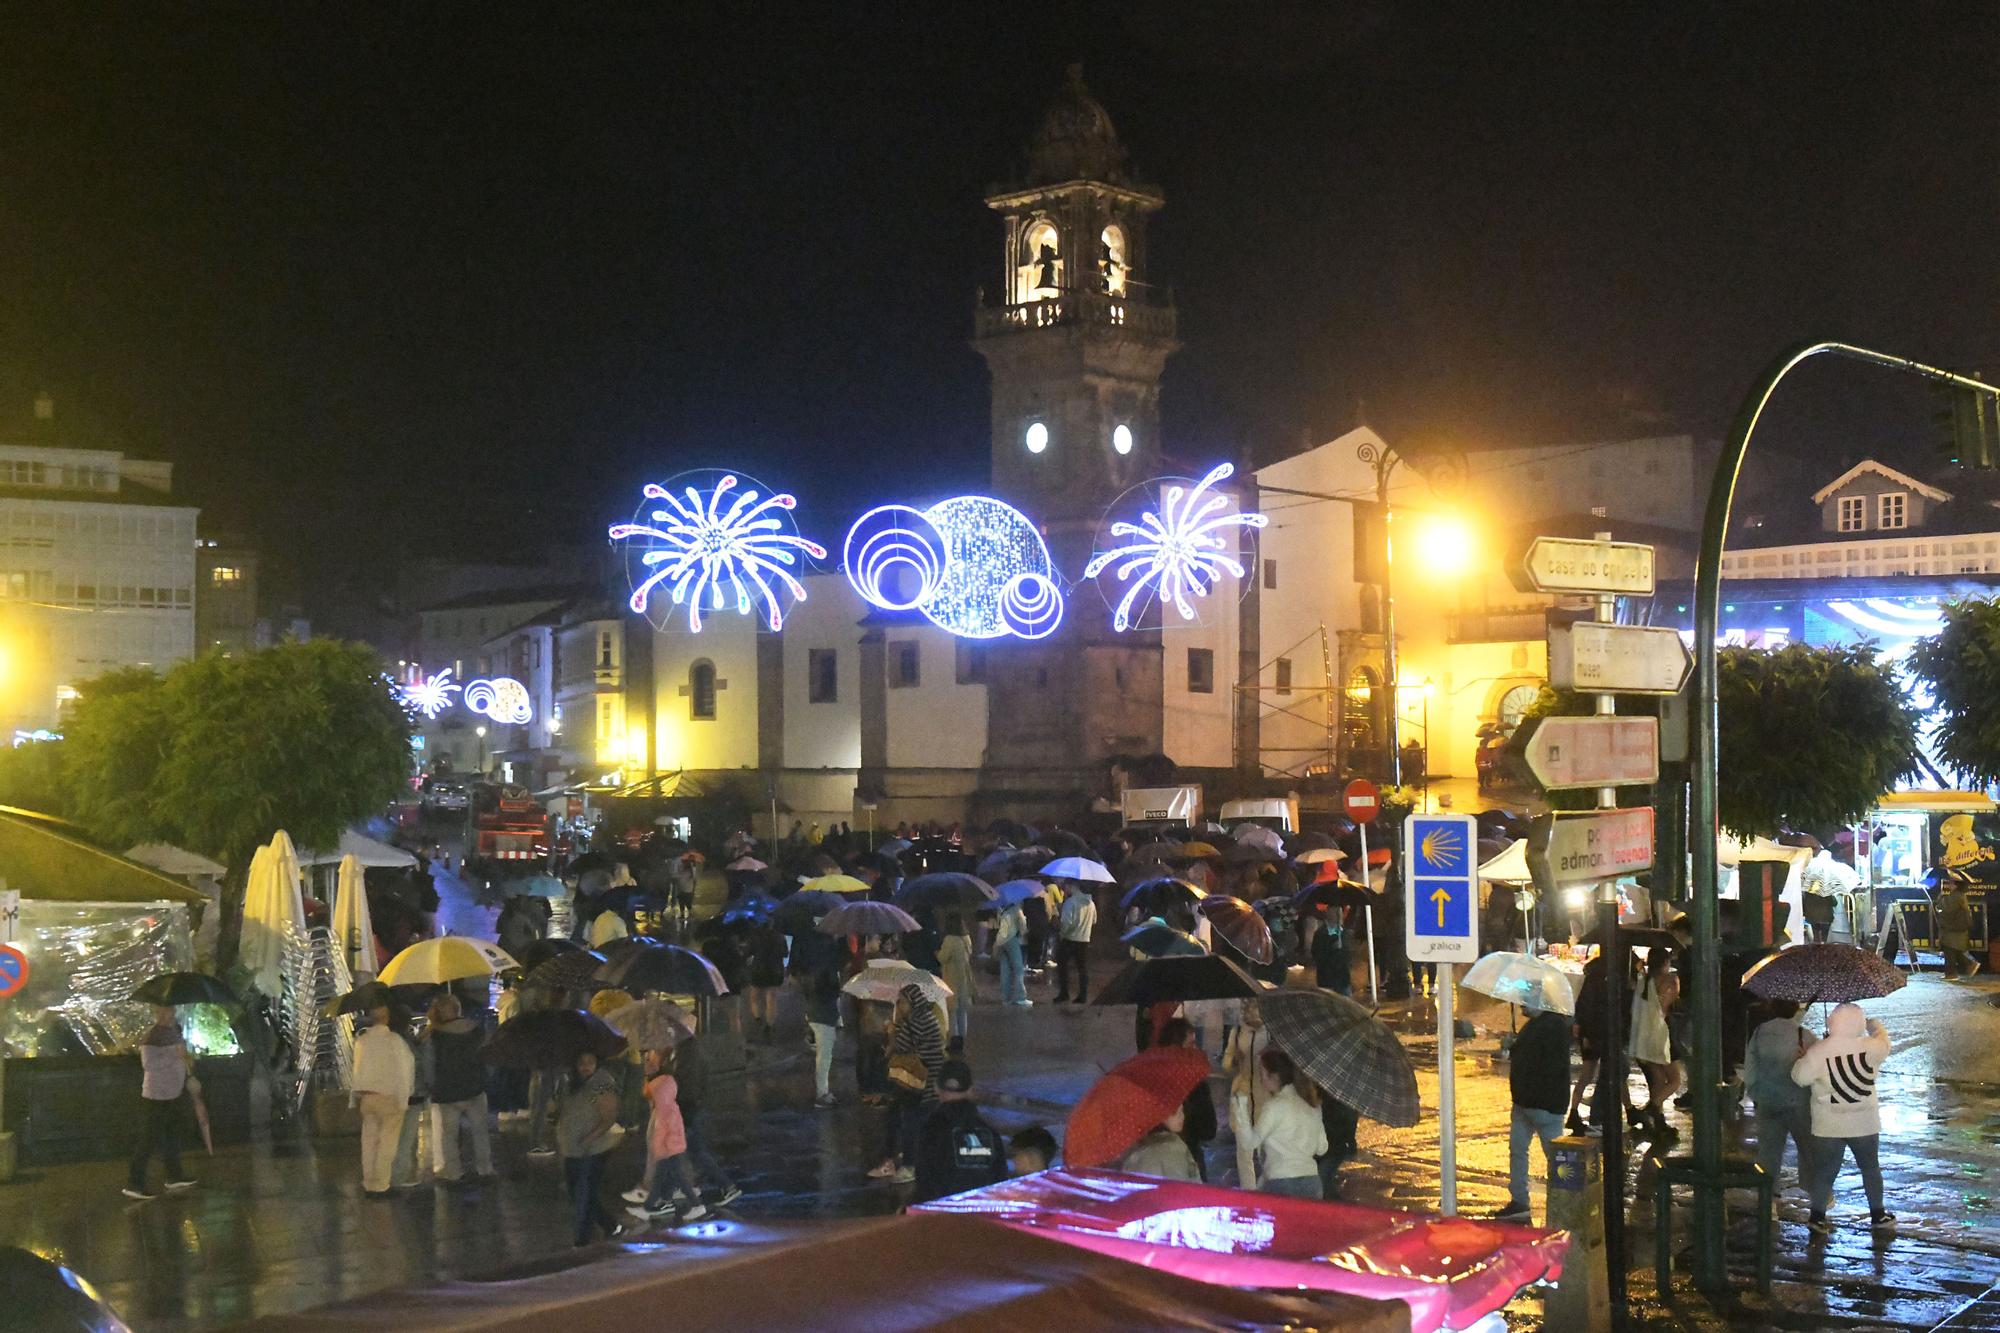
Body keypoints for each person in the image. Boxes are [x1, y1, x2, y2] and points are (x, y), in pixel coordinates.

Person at [1792, 1002, 1895, 1234]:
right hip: (1865, 1123)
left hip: (1828, 1125)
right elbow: (1885, 1043)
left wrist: (1804, 1057)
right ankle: (1878, 1214)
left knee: (1825, 1171)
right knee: (1870, 1168)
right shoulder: (1870, 1047)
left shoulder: (1819, 1051)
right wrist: (1874, 1025)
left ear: (1832, 1023)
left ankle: (1817, 1216)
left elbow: (1800, 1077)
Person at [1494, 1004, 1570, 1221]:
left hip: (1544, 1105)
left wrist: (1517, 1048)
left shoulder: (1553, 1026)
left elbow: (1546, 1065)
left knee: (1557, 1158)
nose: (1521, 1004)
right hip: (1524, 1103)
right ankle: (1519, 1201)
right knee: (1518, 1151)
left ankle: (1565, 1204)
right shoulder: (1536, 1025)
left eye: (1527, 999)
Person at [868, 983, 945, 1183]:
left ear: (912, 1002)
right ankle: (895, 1159)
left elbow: (901, 1046)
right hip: (919, 1083)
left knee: (910, 1123)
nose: (899, 1005)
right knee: (898, 1118)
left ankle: (909, 1165)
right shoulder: (920, 1019)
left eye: (901, 1002)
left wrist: (892, 1030)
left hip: (918, 1085)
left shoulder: (917, 1021)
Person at [1231, 1048, 1327, 1199]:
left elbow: (1250, 1143)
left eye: (1262, 1074)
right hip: (1312, 1182)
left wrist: (1240, 1105)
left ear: (1274, 1076)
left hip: (1281, 1182)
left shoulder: (1274, 1106)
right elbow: (1322, 1148)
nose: (1261, 1080)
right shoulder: (1312, 1105)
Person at [125, 1005, 197, 1200]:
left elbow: (181, 1058)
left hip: (173, 1093)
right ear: (157, 1014)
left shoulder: (173, 1033)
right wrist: (174, 1054)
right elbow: (149, 1065)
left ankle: (174, 1175)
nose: (167, 1016)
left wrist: (186, 1063)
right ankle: (135, 1182)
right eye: (163, 1013)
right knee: (148, 1139)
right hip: (156, 1095)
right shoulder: (152, 1037)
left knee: (171, 1135)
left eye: (170, 1012)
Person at [628, 1047, 708, 1224]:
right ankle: (653, 1206)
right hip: (671, 1136)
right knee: (668, 1174)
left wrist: (659, 1143)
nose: (647, 1063)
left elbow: (650, 1098)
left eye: (650, 1060)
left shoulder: (661, 1083)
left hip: (667, 1138)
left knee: (673, 1173)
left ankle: (691, 1205)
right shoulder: (667, 1080)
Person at [911, 1059, 1008, 1203]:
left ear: (936, 1088)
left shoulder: (931, 1129)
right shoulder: (989, 1132)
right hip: (982, 1217)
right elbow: (1000, 1182)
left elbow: (925, 1181)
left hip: (945, 1217)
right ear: (970, 1090)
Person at [557, 1050, 627, 1245]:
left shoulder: (602, 1082)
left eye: (590, 1061)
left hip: (593, 1150)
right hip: (573, 1150)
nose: (585, 1066)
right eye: (581, 1062)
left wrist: (589, 1138)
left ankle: (582, 1242)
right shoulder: (573, 1082)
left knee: (583, 1196)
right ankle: (611, 1225)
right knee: (577, 1194)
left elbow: (609, 1114)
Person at [672, 1022, 742, 1208]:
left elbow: (687, 1087)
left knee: (694, 1151)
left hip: (688, 1110)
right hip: (691, 1109)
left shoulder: (688, 1055)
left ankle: (726, 1185)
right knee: (692, 1150)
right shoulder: (688, 1051)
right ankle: (692, 1184)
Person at [1744, 998, 1813, 1187]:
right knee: (1808, 1148)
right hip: (1798, 1101)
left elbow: (1750, 1068)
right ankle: (1814, 1191)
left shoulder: (1760, 1032)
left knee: (1769, 1152)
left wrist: (1755, 1093)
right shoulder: (1805, 1035)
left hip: (1768, 1100)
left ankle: (1769, 1197)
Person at [425, 994, 494, 1183]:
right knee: (480, 1132)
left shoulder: (435, 1035)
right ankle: (484, 1169)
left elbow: (429, 1065)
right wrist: (485, 1078)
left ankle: (454, 1173)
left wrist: (432, 1086)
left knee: (449, 1136)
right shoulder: (477, 1030)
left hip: (447, 1092)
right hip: (475, 1088)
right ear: (459, 1009)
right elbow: (488, 1058)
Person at [352, 1002, 415, 1198]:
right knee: (387, 1142)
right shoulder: (394, 1041)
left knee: (369, 1141)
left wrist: (354, 1097)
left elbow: (356, 1069)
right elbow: (406, 1070)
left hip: (367, 1096)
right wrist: (405, 1097)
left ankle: (368, 1181)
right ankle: (381, 1184)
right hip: (389, 1097)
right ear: (387, 1018)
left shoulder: (362, 1041)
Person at [1157, 1017, 1217, 1181]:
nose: (1195, 1048)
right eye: (1190, 1044)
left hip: (1158, 1163)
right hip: (1187, 1159)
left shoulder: (1152, 1078)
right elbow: (1209, 1130)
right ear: (1177, 1047)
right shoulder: (1194, 1083)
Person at [1631, 953, 1681, 1141]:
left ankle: (1659, 1124)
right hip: (1662, 1035)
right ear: (1666, 962)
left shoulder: (1643, 980)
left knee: (1658, 1081)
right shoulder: (1670, 979)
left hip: (1644, 1038)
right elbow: (1666, 1006)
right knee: (1675, 1080)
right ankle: (1651, 1108)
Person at [1225, 1001, 1272, 1186]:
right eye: (1248, 1009)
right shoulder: (1237, 1033)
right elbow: (1226, 1063)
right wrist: (1233, 1059)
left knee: (1265, 1151)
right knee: (1244, 1152)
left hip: (1264, 1098)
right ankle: (1249, 1192)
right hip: (1242, 1097)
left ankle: (1267, 1189)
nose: (1251, 1014)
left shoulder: (1269, 1034)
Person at [1121, 1106, 1202, 1181]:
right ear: (1159, 1114)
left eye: (1182, 1111)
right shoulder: (1171, 1146)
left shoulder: (1133, 1145)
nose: (1182, 1116)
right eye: (1174, 1113)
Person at [936, 911, 977, 1050]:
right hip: (964, 977)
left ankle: (954, 1040)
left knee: (952, 1010)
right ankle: (962, 1038)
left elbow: (943, 957)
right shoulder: (966, 938)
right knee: (962, 1011)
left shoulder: (950, 939)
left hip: (951, 977)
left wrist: (936, 953)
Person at [744, 920, 787, 1043]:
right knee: (771, 998)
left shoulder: (754, 936)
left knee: (754, 997)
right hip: (775, 971)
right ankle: (769, 1026)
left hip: (758, 971)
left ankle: (758, 1019)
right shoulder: (779, 936)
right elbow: (785, 953)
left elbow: (747, 953)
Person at [1054, 884, 1096, 1004]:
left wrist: (1062, 933)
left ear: (1072, 887)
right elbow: (1094, 920)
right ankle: (1083, 995)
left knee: (1062, 967)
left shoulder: (1070, 903)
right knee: (1082, 968)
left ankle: (1064, 993)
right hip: (1084, 940)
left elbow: (1067, 923)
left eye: (1065, 887)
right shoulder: (1091, 903)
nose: (1064, 890)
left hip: (1069, 939)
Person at [1939, 880, 1981, 981]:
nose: (1949, 885)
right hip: (1956, 928)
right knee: (1954, 949)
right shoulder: (1959, 895)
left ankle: (1952, 973)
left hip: (1954, 928)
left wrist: (1940, 898)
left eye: (1951, 883)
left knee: (1949, 949)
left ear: (1956, 886)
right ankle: (1969, 965)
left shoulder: (1956, 896)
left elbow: (1946, 908)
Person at [994, 900, 1030, 1006]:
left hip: (1000, 940)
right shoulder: (1016, 909)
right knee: (1018, 968)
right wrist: (1021, 934)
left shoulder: (1000, 909)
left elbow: (998, 924)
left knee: (1005, 969)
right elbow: (1023, 925)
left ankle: (1006, 998)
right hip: (1011, 939)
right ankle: (1020, 997)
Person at [1311, 907, 1352, 996]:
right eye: (1337, 913)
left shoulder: (1344, 932)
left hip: (1343, 978)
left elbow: (1348, 954)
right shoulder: (1321, 933)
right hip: (1327, 979)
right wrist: (1332, 948)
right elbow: (1317, 954)